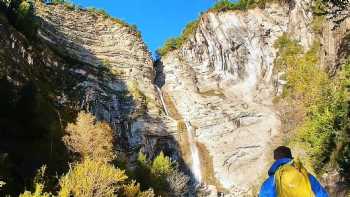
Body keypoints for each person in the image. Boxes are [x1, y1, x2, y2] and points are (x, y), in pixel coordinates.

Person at [259, 146, 329, 197]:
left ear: (276, 160)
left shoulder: (270, 183)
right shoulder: (304, 175)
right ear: (290, 158)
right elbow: (321, 194)